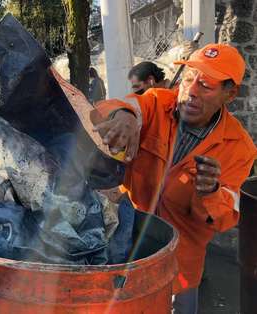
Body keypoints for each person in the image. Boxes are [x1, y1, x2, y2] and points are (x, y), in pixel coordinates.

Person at [93, 43, 257, 313]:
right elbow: (120, 104)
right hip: (128, 242)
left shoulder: (239, 148)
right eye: (189, 79)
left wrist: (212, 191)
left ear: (230, 94)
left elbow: (226, 216)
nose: (191, 92)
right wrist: (122, 114)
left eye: (206, 85)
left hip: (181, 263)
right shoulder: (158, 102)